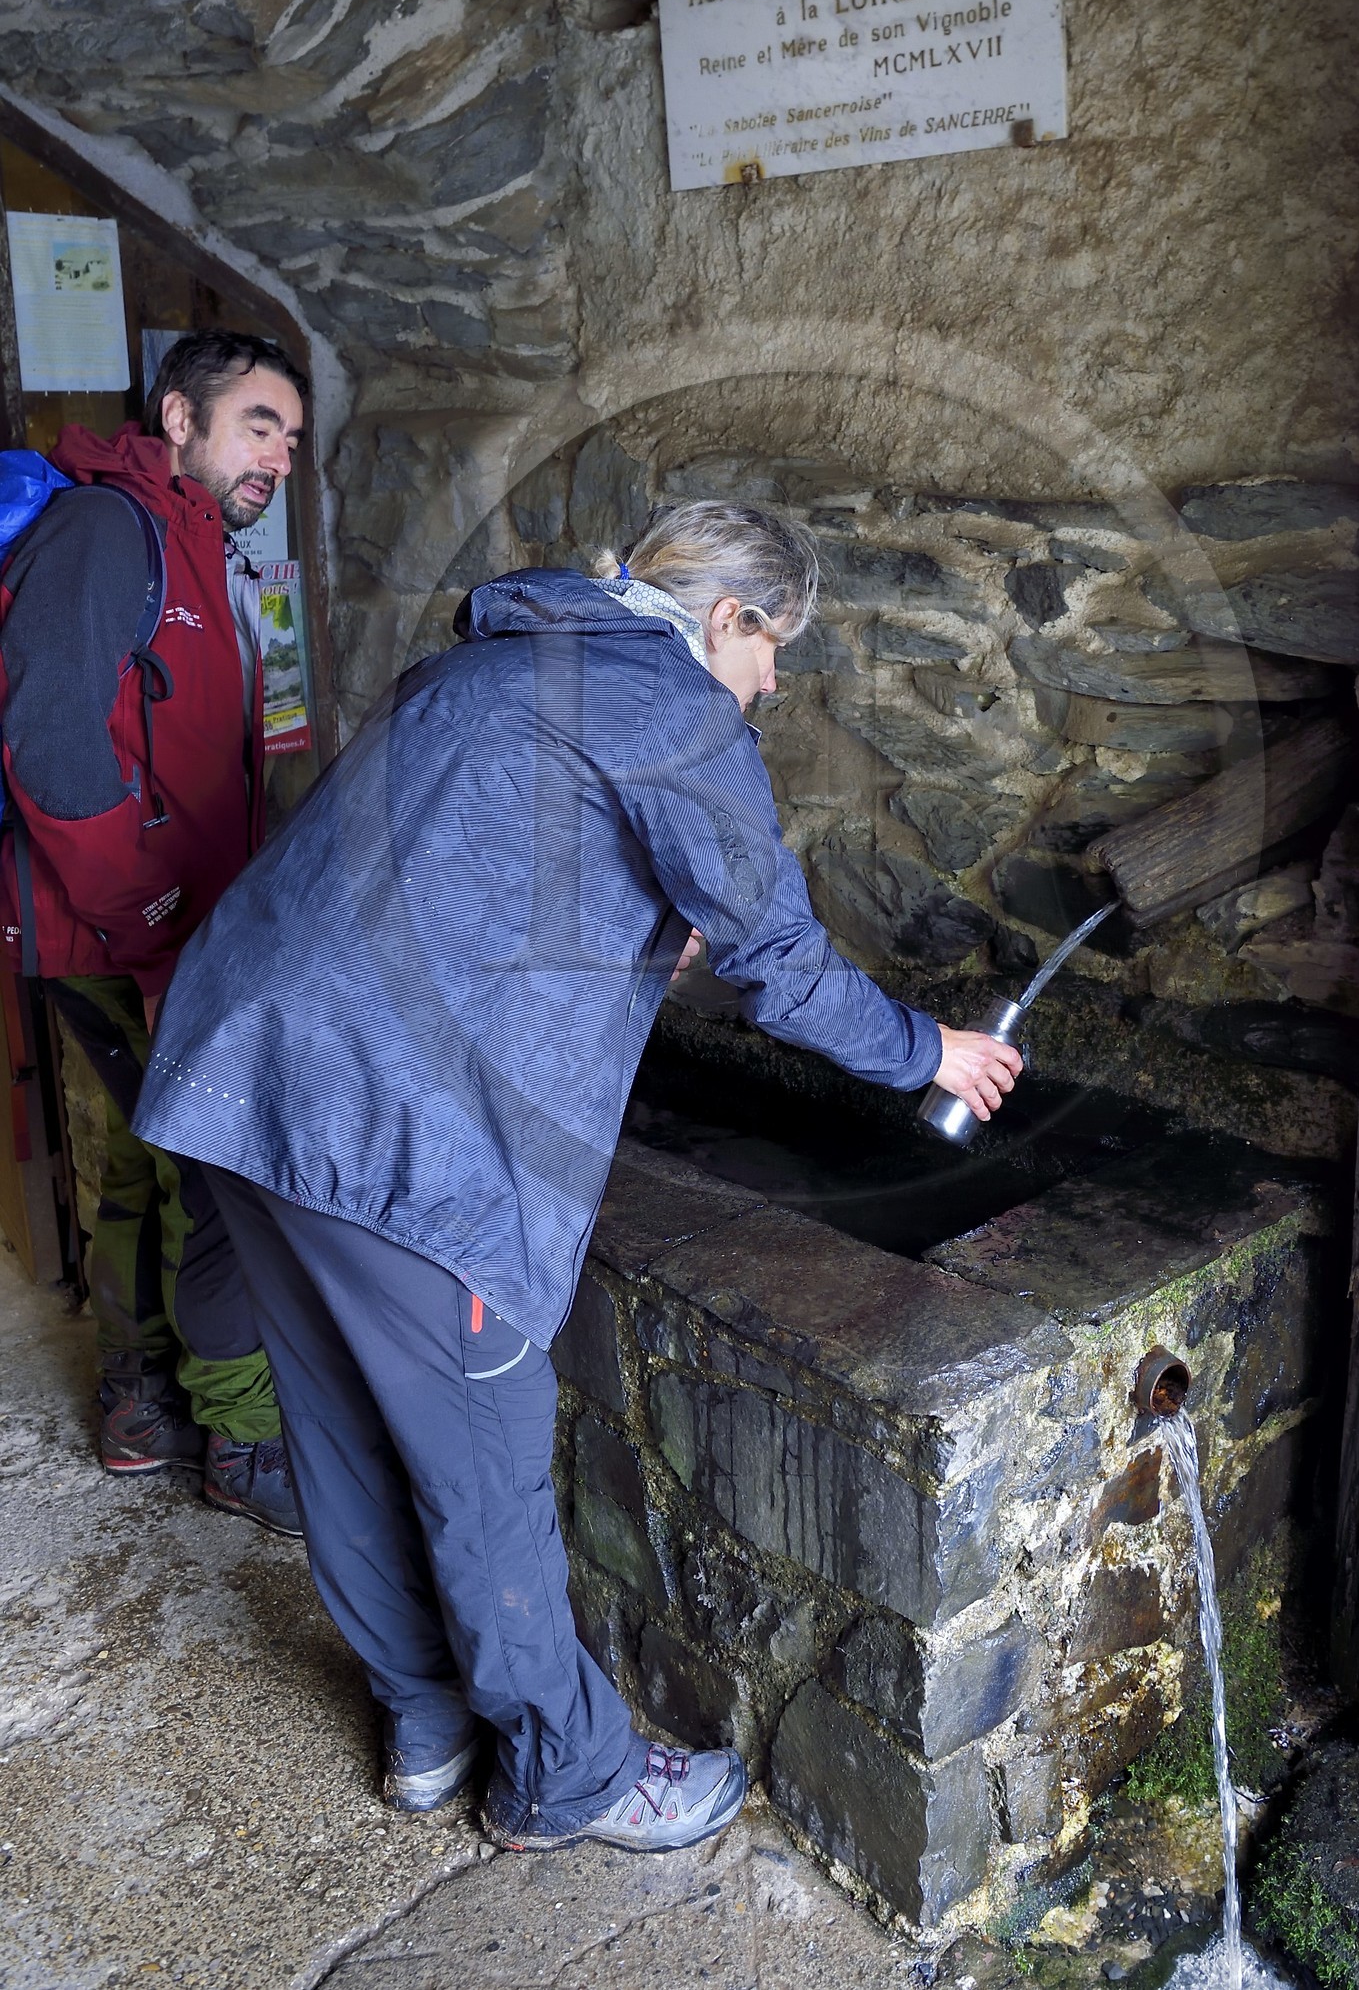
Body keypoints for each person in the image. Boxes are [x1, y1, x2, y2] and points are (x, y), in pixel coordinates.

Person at [132, 501, 1021, 1852]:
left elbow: (473, 867)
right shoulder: (673, 705)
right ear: (729, 617)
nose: (774, 681)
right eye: (775, 646)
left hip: (240, 1065)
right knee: (486, 1458)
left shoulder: (499, 661)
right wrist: (928, 1050)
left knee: (340, 1424)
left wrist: (629, 932)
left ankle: (426, 1723)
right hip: (392, 1119)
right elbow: (778, 958)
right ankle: (570, 1770)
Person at [0, 330, 307, 1535]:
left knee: (143, 1153)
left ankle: (141, 1404)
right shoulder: (103, 534)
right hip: (120, 929)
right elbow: (52, 747)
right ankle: (238, 1431)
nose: (278, 457)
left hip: (172, 930)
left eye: (289, 438)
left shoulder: (201, 550)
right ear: (178, 417)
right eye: (257, 425)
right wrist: (151, 918)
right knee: (215, 1174)